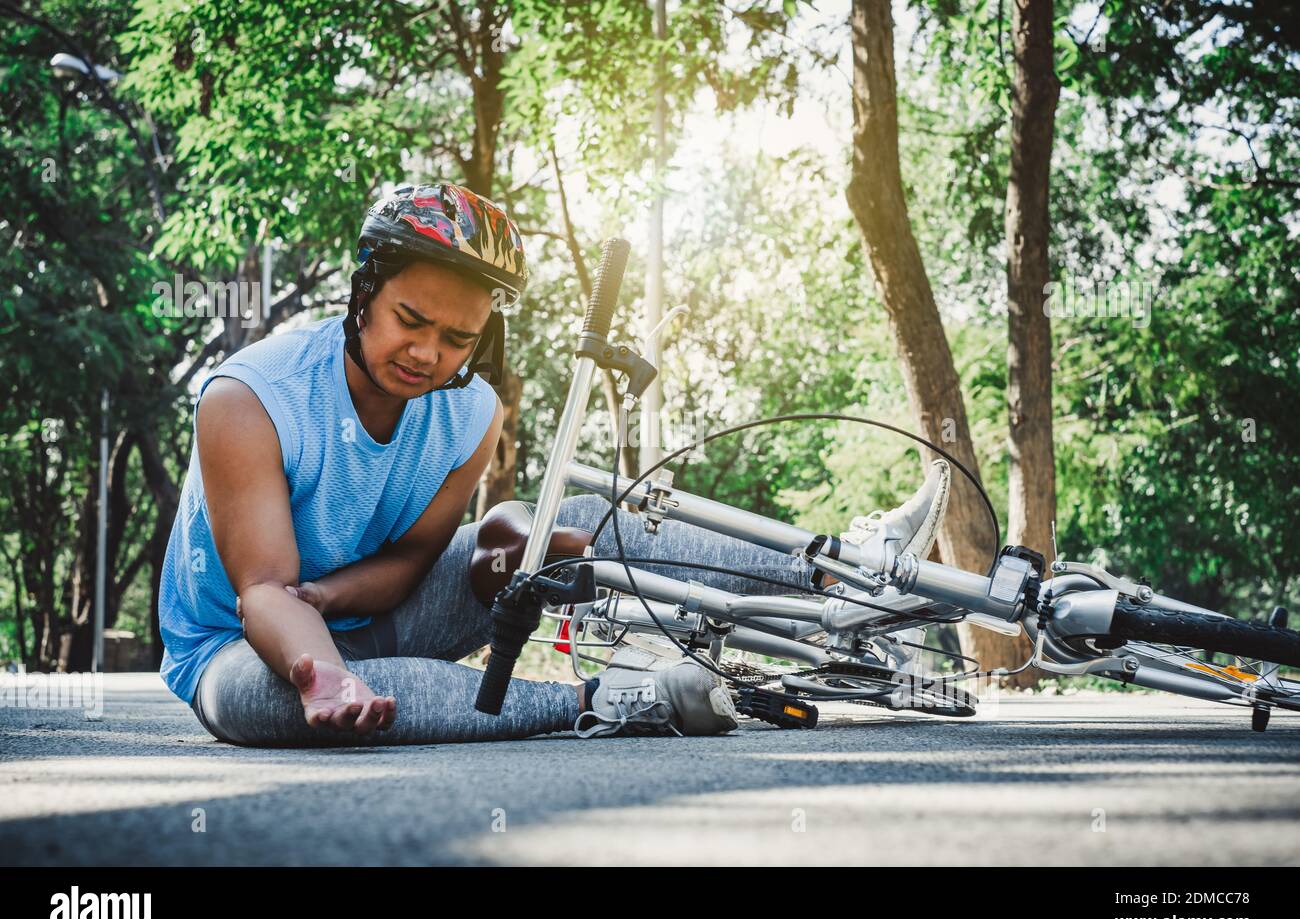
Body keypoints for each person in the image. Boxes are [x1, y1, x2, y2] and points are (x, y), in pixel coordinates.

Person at [158, 181, 948, 747]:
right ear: (364, 287)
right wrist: (320, 670)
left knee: (564, 526)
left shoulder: (472, 414)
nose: (429, 353)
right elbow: (263, 589)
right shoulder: (248, 399)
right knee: (271, 705)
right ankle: (610, 701)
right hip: (240, 647)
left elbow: (407, 564)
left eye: (459, 339)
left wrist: (329, 595)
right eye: (410, 320)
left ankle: (845, 572)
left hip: (372, 611)